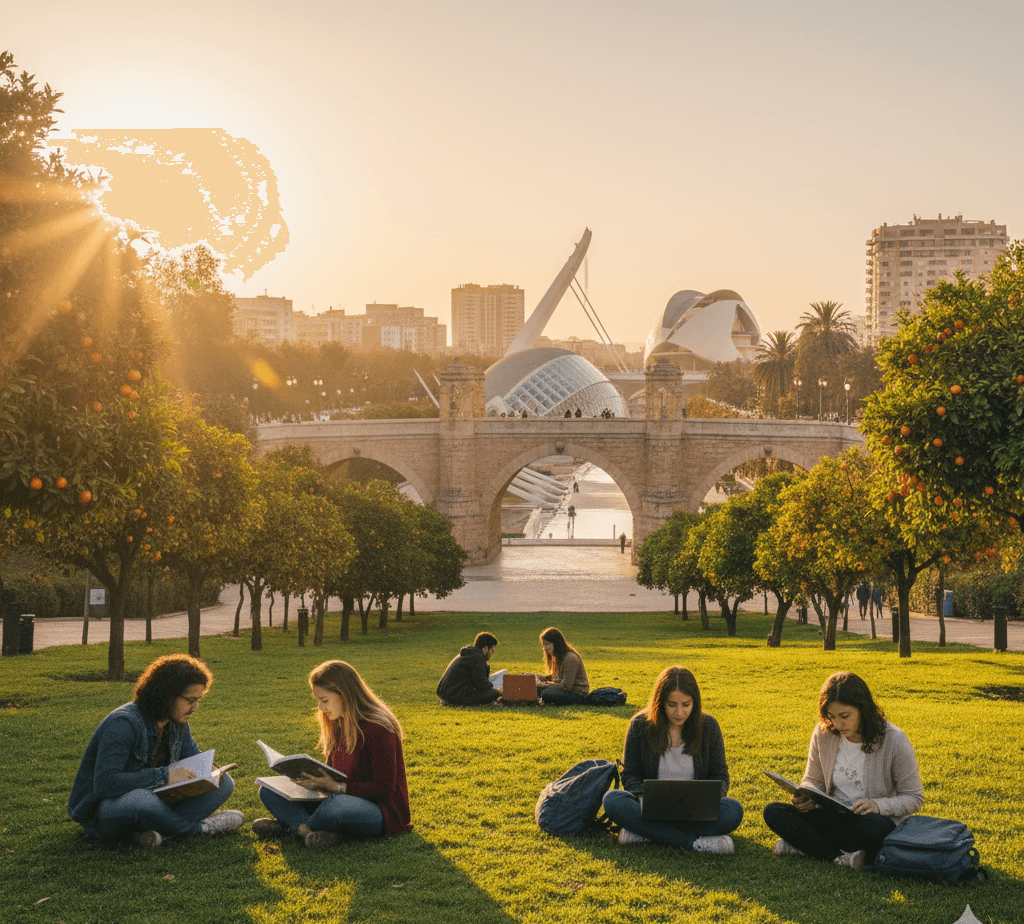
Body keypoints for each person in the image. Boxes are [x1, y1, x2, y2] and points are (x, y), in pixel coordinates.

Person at [67, 654, 242, 848]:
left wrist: (209, 770)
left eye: (199, 699)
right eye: (190, 700)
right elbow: (104, 784)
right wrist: (165, 776)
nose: (195, 708)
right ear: (167, 695)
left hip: (157, 803)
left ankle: (151, 835)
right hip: (105, 812)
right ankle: (199, 830)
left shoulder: (177, 722)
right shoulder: (124, 723)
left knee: (224, 783)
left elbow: (193, 758)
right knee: (142, 800)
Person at [763, 671, 923, 869]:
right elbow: (813, 779)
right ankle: (838, 857)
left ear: (863, 710)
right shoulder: (823, 733)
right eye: (831, 717)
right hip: (833, 817)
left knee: (877, 827)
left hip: (869, 821)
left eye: (845, 716)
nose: (838, 724)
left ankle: (806, 846)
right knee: (774, 811)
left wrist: (877, 805)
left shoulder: (894, 740)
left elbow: (914, 797)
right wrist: (806, 796)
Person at [253, 660, 412, 848]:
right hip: (334, 796)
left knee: (336, 807)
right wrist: (314, 780)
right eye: (318, 700)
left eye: (324, 700)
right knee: (268, 790)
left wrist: (337, 787)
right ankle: (313, 831)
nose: (320, 707)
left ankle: (293, 826)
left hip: (377, 810)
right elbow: (334, 771)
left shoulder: (379, 728)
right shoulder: (337, 722)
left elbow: (384, 789)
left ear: (344, 695)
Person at [601, 666, 743, 852]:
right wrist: (643, 798)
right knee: (613, 800)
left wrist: (708, 801)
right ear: (660, 702)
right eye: (671, 705)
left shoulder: (709, 726)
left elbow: (720, 775)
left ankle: (644, 834)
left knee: (733, 810)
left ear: (695, 702)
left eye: (686, 704)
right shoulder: (640, 725)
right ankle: (694, 843)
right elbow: (630, 774)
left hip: (695, 812)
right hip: (651, 811)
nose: (679, 713)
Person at [436, 632, 500, 706]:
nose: (492, 654)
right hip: (454, 697)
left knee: (493, 689)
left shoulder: (470, 654)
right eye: (492, 651)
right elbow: (482, 685)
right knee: (494, 693)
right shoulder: (476, 658)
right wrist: (498, 690)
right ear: (485, 648)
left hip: (447, 695)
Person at [533, 627, 589, 705]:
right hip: (566, 692)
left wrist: (542, 684)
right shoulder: (558, 657)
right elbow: (556, 678)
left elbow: (565, 686)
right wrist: (536, 677)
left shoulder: (570, 658)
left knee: (546, 693)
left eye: (547, 644)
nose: (544, 648)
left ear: (556, 643)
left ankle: (542, 699)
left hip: (577, 695)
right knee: (532, 685)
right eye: (543, 644)